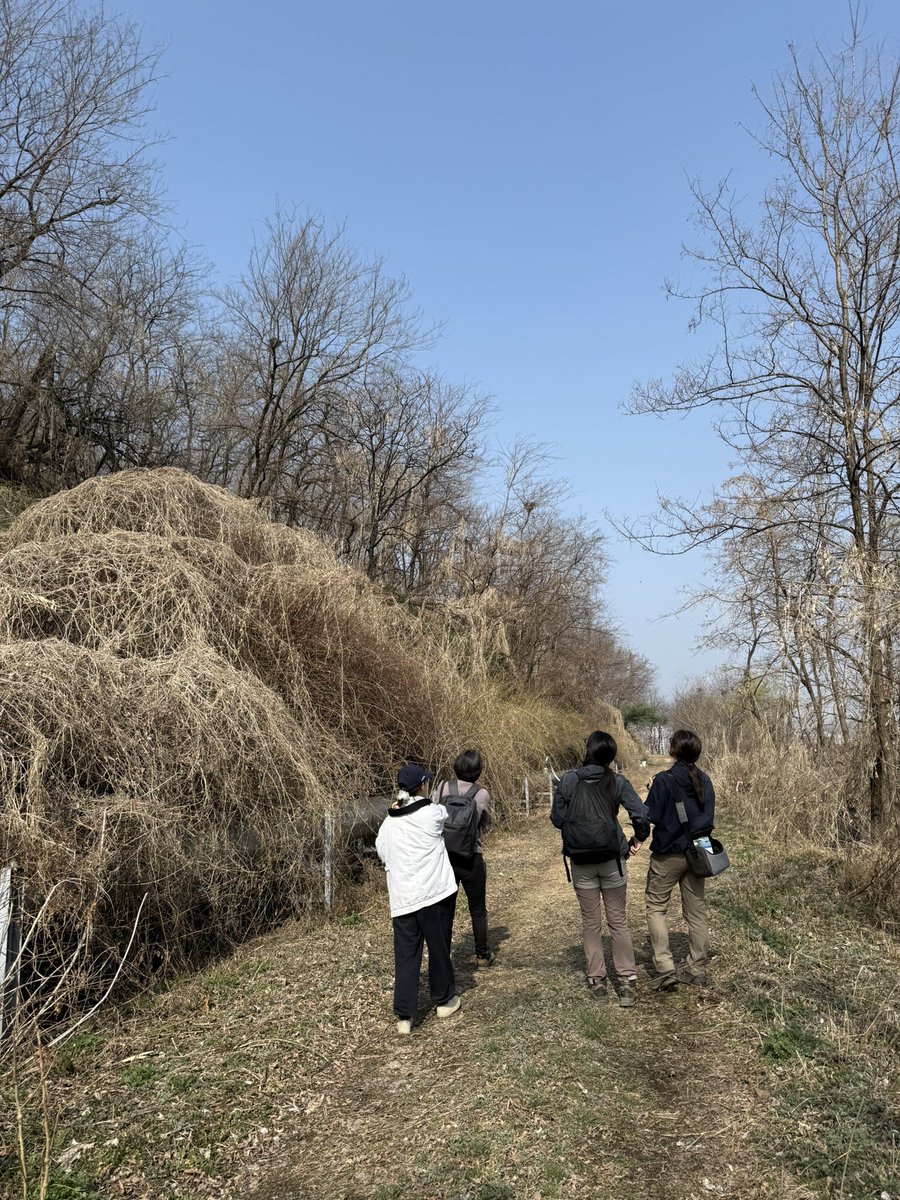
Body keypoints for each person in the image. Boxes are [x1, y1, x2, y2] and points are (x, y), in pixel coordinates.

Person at [550, 731, 650, 1007]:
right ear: (611, 755)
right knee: (618, 920)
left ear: (588, 751)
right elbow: (640, 814)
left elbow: (557, 819)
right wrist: (637, 839)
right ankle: (627, 982)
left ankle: (597, 982)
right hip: (612, 861)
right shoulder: (616, 782)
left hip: (581, 863)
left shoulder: (569, 781)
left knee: (590, 923)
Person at [374, 764, 461, 1034]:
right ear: (423, 784)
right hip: (433, 893)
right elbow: (443, 814)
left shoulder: (388, 823)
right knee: (438, 947)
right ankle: (444, 1000)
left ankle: (404, 1016)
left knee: (406, 955)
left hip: (402, 899)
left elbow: (382, 853)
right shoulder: (431, 813)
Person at [644, 729, 716, 990]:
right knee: (696, 912)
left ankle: (665, 969)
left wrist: (652, 791)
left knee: (656, 907)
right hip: (698, 854)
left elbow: (649, 815)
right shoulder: (705, 780)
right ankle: (696, 968)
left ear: (673, 750)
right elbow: (707, 817)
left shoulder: (663, 780)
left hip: (668, 854)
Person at [435, 748, 494, 968]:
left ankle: (444, 958)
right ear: (478, 770)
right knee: (477, 909)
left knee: (446, 910)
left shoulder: (442, 788)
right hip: (472, 857)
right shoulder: (481, 793)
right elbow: (485, 824)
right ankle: (482, 956)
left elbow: (434, 818)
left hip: (445, 858)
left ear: (456, 766)